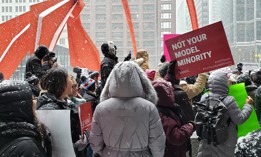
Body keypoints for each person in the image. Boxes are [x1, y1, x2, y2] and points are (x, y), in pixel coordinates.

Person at [89, 61, 166, 157]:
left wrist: (106, 152)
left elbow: (95, 143)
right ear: (139, 80)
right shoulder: (149, 108)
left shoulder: (101, 108)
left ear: (112, 80)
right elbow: (158, 144)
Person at [197, 70, 253, 157]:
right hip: (225, 143)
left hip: (207, 141)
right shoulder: (229, 100)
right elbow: (239, 119)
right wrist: (248, 105)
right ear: (223, 83)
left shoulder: (204, 97)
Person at [36, 67, 88, 157]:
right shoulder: (50, 109)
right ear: (61, 83)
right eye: (69, 78)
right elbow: (55, 146)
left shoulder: (62, 103)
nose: (72, 82)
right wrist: (76, 146)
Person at [0, 80, 51, 157]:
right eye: (32, 98)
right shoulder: (28, 148)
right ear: (22, 106)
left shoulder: (5, 136)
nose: (35, 102)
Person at [152, 80, 195, 157]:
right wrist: (190, 126)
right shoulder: (163, 114)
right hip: (171, 153)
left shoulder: (164, 108)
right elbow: (176, 136)